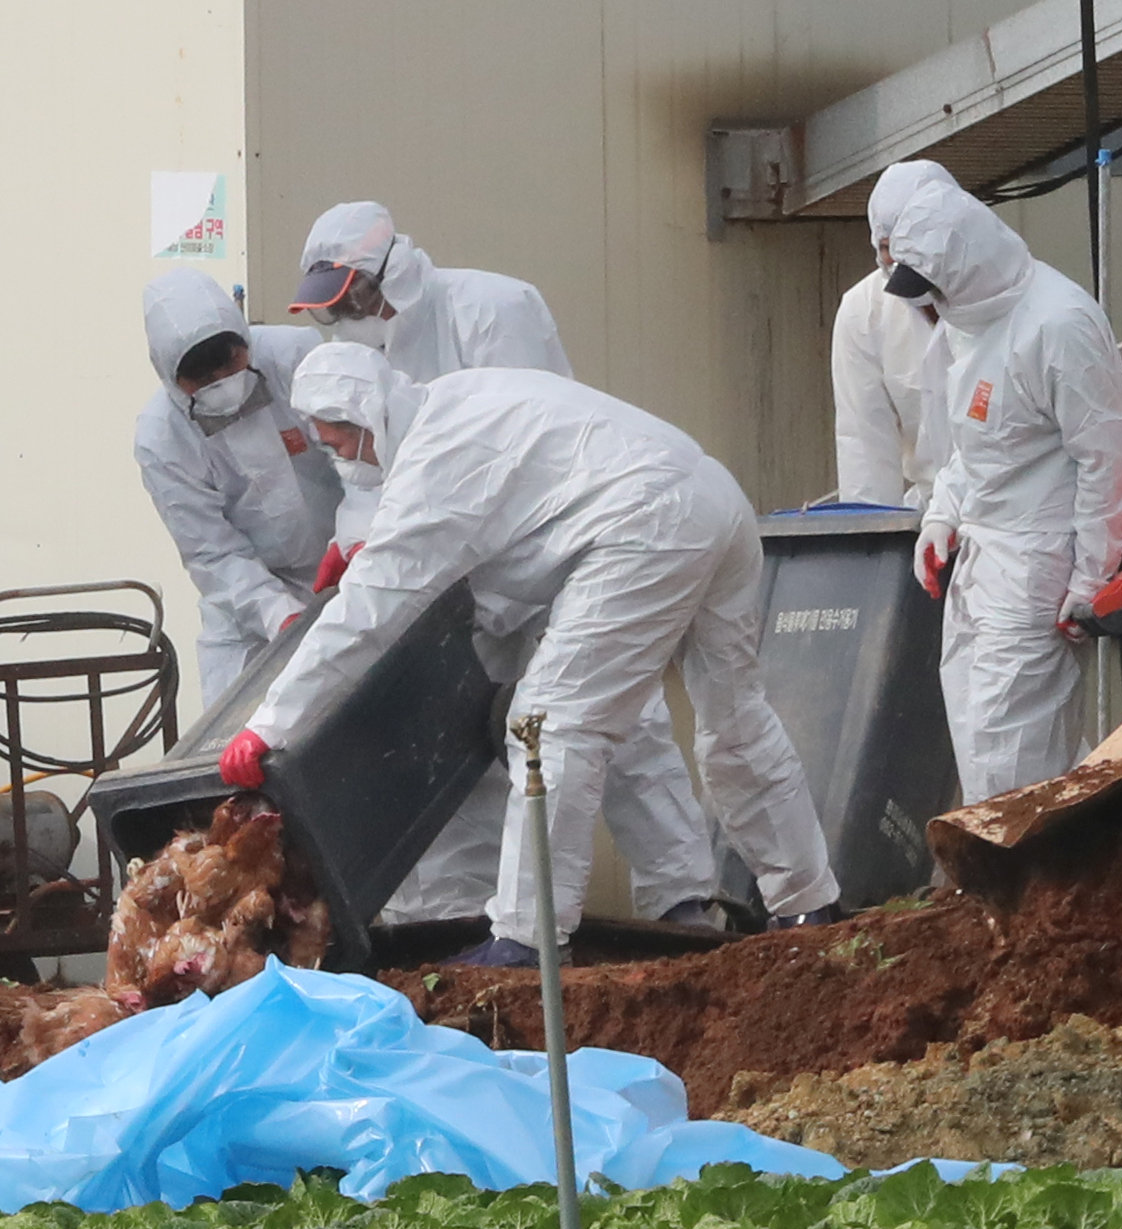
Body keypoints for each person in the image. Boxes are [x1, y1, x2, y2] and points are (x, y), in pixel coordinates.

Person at [221, 343, 841, 963]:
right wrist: (366, 541)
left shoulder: (438, 459)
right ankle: (808, 901)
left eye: (338, 440)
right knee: (735, 715)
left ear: (366, 417)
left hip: (648, 527)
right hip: (715, 500)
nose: (338, 454)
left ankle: (525, 942)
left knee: (550, 727)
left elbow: (369, 613)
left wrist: (269, 724)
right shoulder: (455, 402)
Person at [289, 202, 722, 935]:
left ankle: (682, 897)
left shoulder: (489, 309)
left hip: (547, 549)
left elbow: (523, 440)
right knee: (456, 735)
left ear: (388, 274)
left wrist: (403, 545)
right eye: (332, 311)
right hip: (455, 572)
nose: (348, 321)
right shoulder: (362, 359)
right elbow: (368, 464)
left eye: (352, 301)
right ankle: (462, 916)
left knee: (618, 717)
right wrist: (360, 534)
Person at [891, 183, 1122, 806]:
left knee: (1017, 760)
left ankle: (1035, 892)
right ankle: (1015, 892)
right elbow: (978, 445)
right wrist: (942, 515)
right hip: (980, 558)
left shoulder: (1059, 324)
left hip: (1037, 568)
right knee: (979, 744)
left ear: (962, 269)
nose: (931, 308)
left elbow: (1104, 461)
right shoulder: (965, 323)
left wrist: (1090, 578)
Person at [134, 268, 333, 704]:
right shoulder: (161, 438)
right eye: (202, 379)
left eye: (230, 363)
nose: (221, 383)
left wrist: (357, 541)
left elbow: (361, 459)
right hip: (248, 615)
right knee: (244, 737)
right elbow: (211, 550)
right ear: (170, 378)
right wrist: (275, 611)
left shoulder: (297, 358)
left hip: (347, 570)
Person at [832, 161, 960, 506]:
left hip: (1020, 514)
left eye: (915, 242)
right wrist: (873, 549)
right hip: (929, 513)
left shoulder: (1003, 292)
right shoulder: (864, 310)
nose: (902, 259)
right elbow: (864, 444)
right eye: (889, 245)